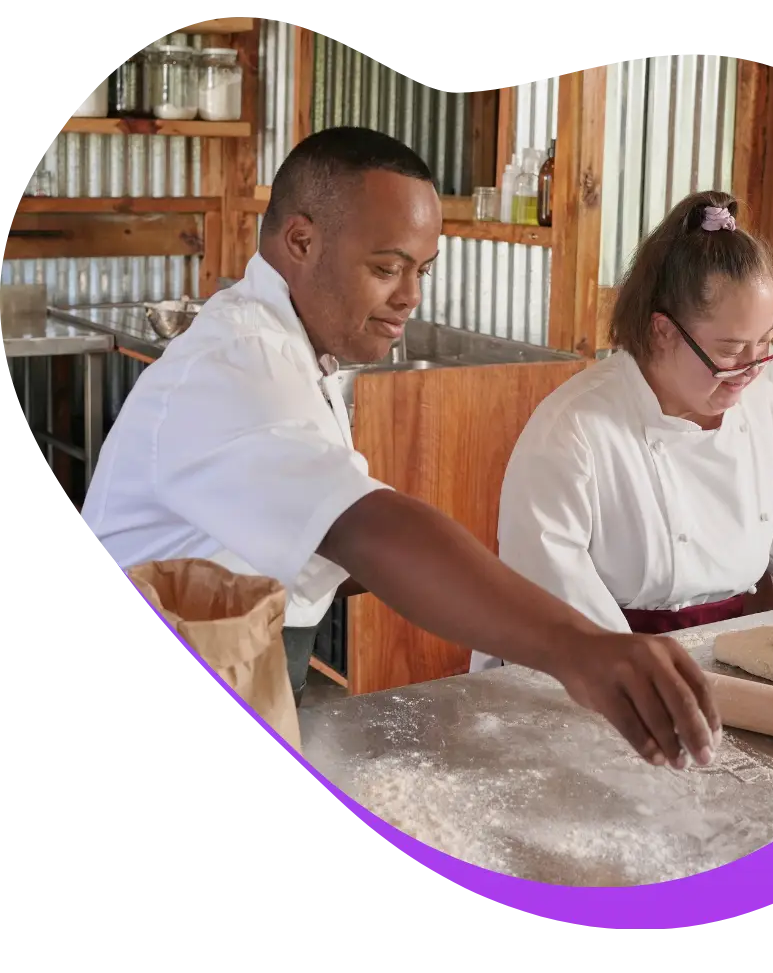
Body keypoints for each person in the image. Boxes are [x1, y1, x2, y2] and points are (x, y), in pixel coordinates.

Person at [79, 127, 722, 772]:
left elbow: (324, 537)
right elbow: (365, 527)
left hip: (255, 667)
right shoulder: (239, 364)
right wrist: (578, 647)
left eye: (421, 271)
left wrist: (481, 586)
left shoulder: (299, 350)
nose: (410, 295)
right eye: (387, 268)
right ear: (301, 241)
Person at [470, 191, 773, 672]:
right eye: (732, 349)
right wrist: (633, 673)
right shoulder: (574, 429)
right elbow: (550, 585)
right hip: (586, 663)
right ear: (662, 331)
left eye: (765, 341)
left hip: (720, 654)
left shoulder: (764, 411)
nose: (753, 366)